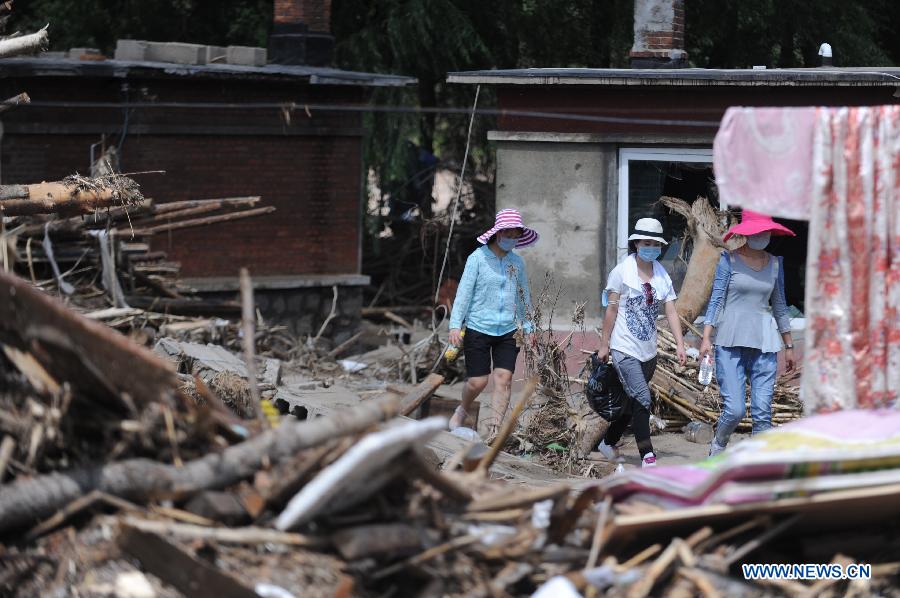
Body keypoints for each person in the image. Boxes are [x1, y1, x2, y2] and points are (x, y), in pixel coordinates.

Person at [700, 210, 797, 456]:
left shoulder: (775, 264)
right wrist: (705, 338)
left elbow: (780, 305)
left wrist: (789, 346)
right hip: (730, 341)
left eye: (766, 231)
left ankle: (756, 466)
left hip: (765, 343)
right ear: (746, 233)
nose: (762, 235)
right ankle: (719, 444)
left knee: (763, 412)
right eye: (757, 231)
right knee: (735, 410)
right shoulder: (728, 260)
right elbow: (716, 300)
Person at [596, 218, 686, 468]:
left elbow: (670, 310)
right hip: (624, 348)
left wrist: (680, 344)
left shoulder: (661, 273)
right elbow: (611, 311)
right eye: (646, 243)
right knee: (643, 398)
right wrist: (604, 345)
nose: (651, 248)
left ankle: (607, 442)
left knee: (631, 402)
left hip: (648, 350)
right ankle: (648, 455)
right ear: (636, 244)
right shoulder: (621, 272)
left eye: (656, 244)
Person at [448, 208, 538, 433]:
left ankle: (495, 430)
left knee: (503, 379)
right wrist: (455, 325)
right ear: (498, 234)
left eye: (516, 236)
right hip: (479, 327)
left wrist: (529, 327)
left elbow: (523, 295)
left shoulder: (516, 263)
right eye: (509, 234)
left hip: (508, 330)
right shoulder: (477, 258)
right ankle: (462, 409)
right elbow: (464, 293)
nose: (512, 239)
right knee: (478, 382)